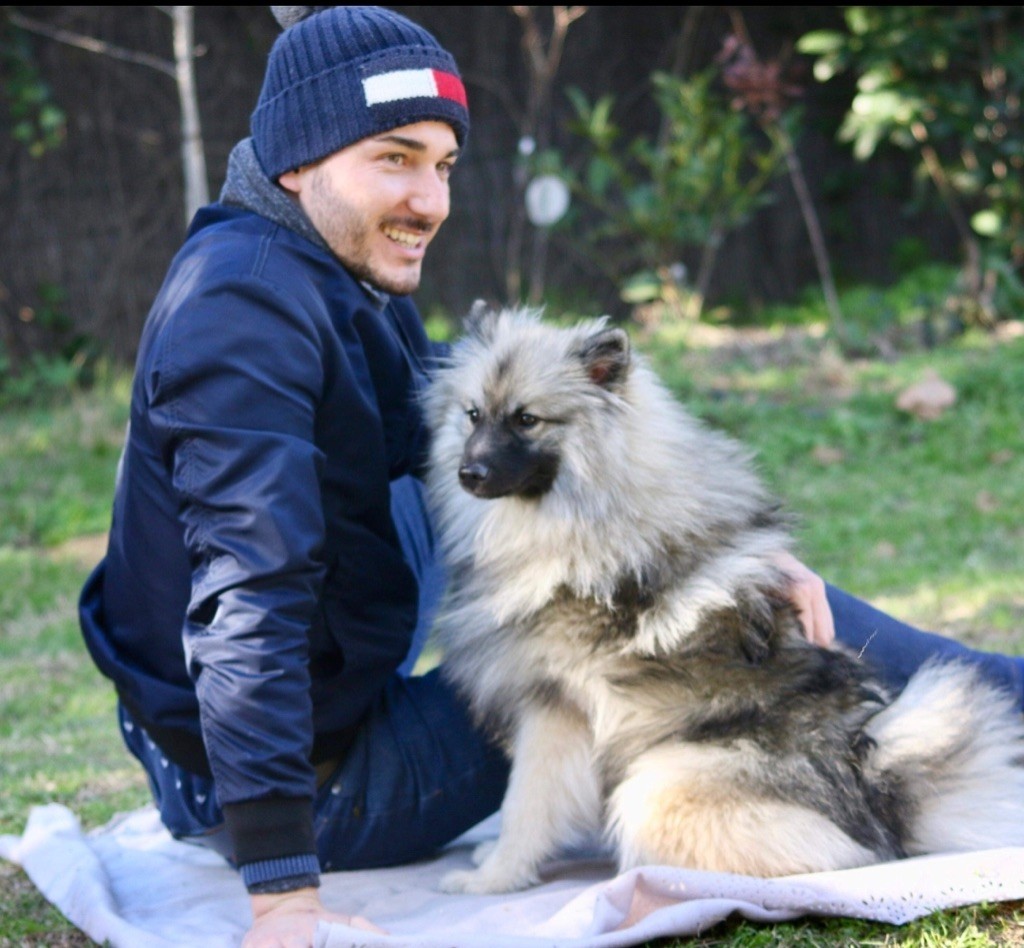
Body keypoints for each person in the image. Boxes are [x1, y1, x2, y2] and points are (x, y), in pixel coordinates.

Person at [78, 6, 1024, 947]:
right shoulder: (240, 316)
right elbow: (250, 602)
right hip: (312, 786)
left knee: (741, 586)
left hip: (325, 713)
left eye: (443, 165)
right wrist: (284, 892)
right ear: (298, 160)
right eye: (394, 158)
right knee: (635, 649)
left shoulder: (322, 269)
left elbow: (450, 398)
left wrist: (717, 553)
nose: (431, 200)